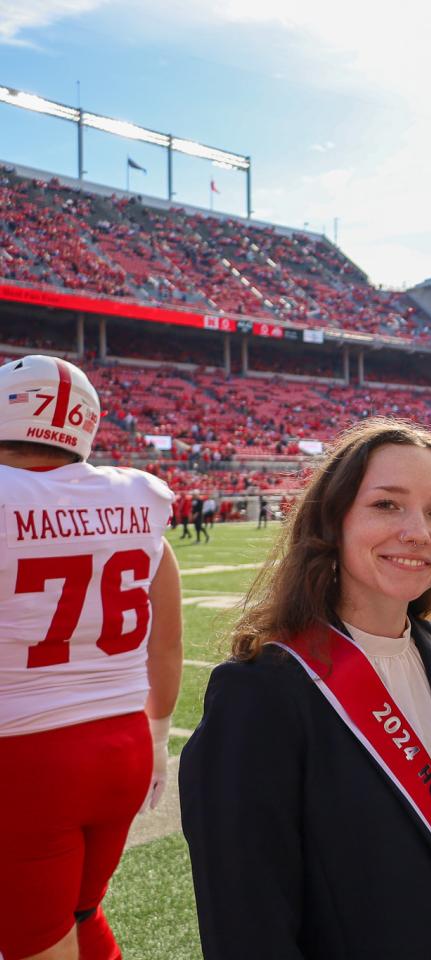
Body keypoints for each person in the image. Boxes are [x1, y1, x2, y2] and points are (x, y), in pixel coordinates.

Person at [180, 418, 431, 959]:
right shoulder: (260, 691)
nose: (418, 531)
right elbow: (246, 922)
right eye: (386, 504)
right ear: (334, 521)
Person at [0, 355, 183, 960]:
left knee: (34, 939)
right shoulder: (137, 500)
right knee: (81, 913)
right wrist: (157, 736)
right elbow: (167, 639)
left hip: (26, 757)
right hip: (124, 744)